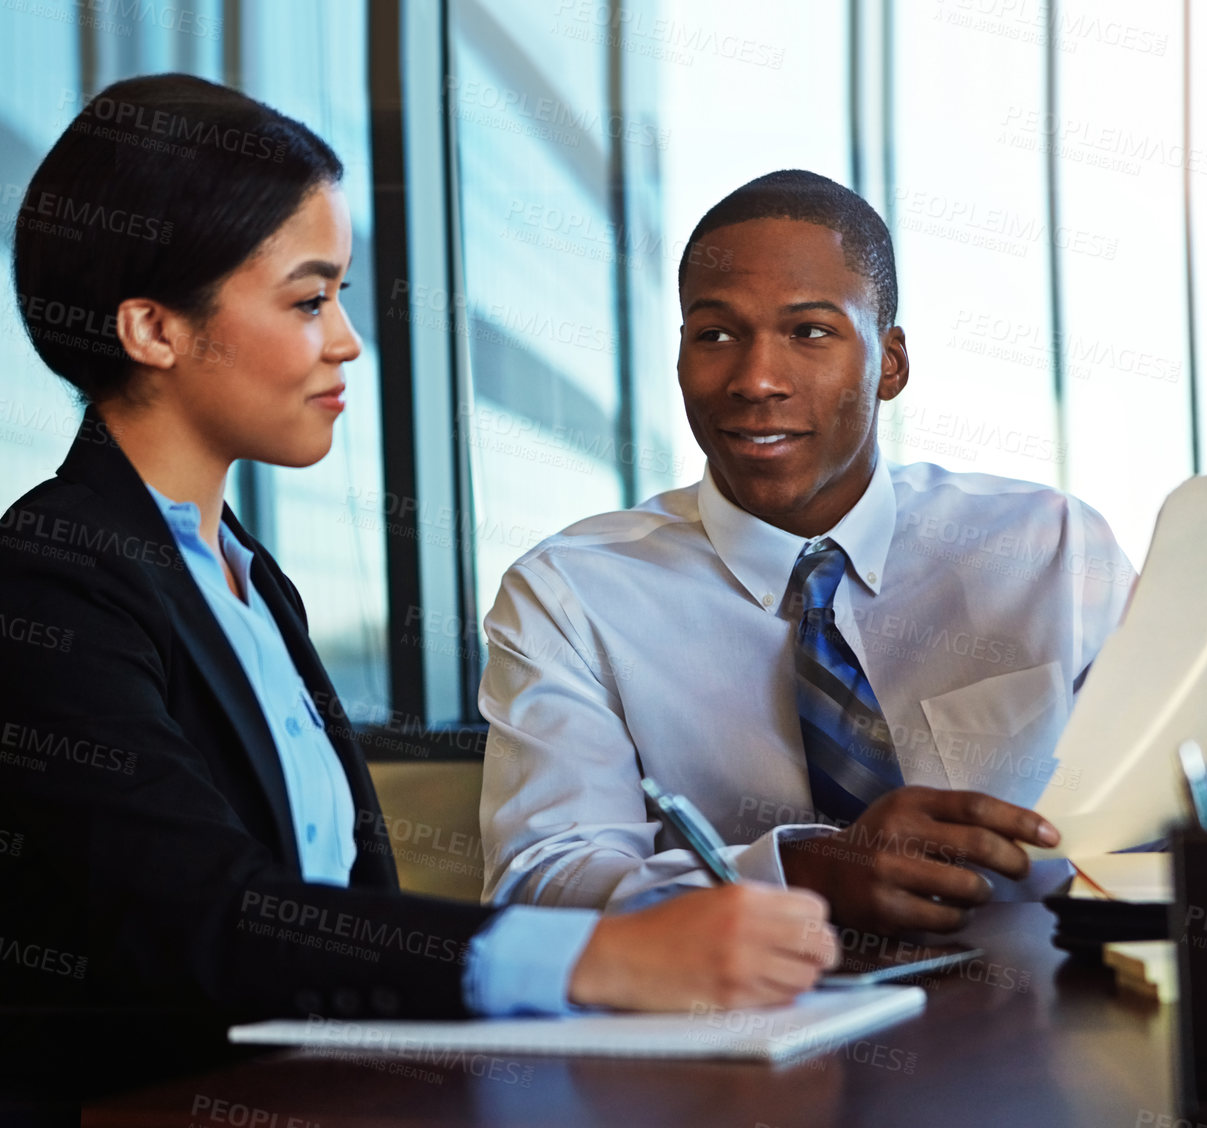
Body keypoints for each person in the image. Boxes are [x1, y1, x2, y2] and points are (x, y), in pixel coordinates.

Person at [0, 78, 839, 1106]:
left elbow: (327, 916)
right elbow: (193, 920)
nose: (347, 340)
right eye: (309, 300)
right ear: (152, 329)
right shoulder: (50, 572)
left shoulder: (243, 574)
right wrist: (601, 957)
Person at [479, 170, 1136, 936]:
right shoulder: (571, 594)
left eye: (810, 332)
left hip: (1040, 1011)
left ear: (889, 363)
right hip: (728, 1035)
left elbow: (1173, 812)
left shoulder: (1050, 548)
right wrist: (800, 875)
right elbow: (539, 886)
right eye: (716, 335)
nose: (756, 380)